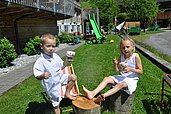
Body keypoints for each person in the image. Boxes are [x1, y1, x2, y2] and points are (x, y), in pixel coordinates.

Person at [82, 37, 143, 104]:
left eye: (127, 47)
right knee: (106, 79)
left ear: (132, 47)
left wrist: (130, 69)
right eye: (123, 47)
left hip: (131, 79)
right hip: (122, 77)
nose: (125, 49)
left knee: (120, 85)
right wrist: (115, 64)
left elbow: (140, 71)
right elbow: (116, 70)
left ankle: (103, 96)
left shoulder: (135, 56)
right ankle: (92, 94)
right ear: (121, 48)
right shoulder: (122, 56)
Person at [33, 33, 77, 114]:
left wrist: (67, 61)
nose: (51, 49)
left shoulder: (55, 56)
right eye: (48, 46)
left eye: (53, 46)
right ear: (42, 46)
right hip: (52, 85)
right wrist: (42, 75)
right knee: (56, 104)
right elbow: (37, 76)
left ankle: (67, 93)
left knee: (73, 77)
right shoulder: (40, 61)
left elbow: (62, 67)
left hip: (60, 78)